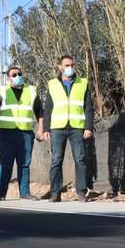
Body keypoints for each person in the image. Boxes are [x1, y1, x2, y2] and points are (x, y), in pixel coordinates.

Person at [42, 54, 94, 202]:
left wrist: (88, 127)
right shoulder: (52, 84)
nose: (70, 68)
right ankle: (55, 193)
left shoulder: (82, 83)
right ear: (60, 67)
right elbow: (48, 108)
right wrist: (46, 129)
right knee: (56, 160)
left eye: (72, 65)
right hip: (58, 128)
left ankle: (81, 192)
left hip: (77, 127)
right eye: (66, 65)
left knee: (80, 159)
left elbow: (88, 107)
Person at [0, 65, 44, 201]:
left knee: (24, 163)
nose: (17, 77)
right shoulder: (2, 91)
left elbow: (39, 110)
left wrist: (41, 128)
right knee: (6, 163)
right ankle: (1, 193)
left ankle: (25, 192)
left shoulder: (31, 90)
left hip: (26, 133)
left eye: (19, 74)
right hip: (6, 133)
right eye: (14, 75)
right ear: (8, 78)